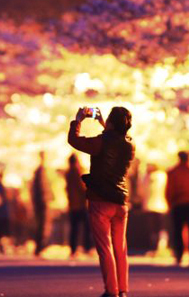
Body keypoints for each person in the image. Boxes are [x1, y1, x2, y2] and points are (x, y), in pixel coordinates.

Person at [69, 106, 136, 297]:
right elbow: (115, 139)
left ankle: (111, 290)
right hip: (121, 202)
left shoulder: (100, 143)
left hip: (100, 202)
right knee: (120, 248)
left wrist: (78, 120)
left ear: (112, 123)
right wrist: (103, 124)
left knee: (105, 249)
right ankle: (122, 289)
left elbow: (74, 140)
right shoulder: (130, 145)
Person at [66, 153, 92, 256]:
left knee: (74, 229)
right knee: (87, 227)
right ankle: (87, 247)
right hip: (80, 205)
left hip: (72, 205)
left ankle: (73, 249)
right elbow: (81, 187)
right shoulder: (76, 171)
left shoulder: (68, 173)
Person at [32, 151, 50, 256]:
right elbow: (42, 188)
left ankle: (39, 247)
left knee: (41, 225)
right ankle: (40, 247)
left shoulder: (39, 170)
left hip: (40, 201)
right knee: (42, 225)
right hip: (42, 202)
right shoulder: (41, 171)